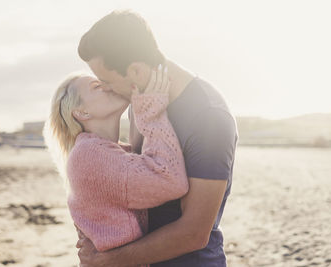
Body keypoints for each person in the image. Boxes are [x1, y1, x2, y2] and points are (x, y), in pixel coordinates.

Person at [76, 10, 238, 267]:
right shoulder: (141, 101)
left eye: (106, 81)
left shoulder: (209, 118)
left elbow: (194, 233)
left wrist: (108, 260)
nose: (105, 88)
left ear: (137, 71)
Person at [43, 68, 189, 266]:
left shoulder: (104, 152)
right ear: (82, 112)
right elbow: (171, 181)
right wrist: (151, 111)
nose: (107, 85)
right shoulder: (91, 154)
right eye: (97, 86)